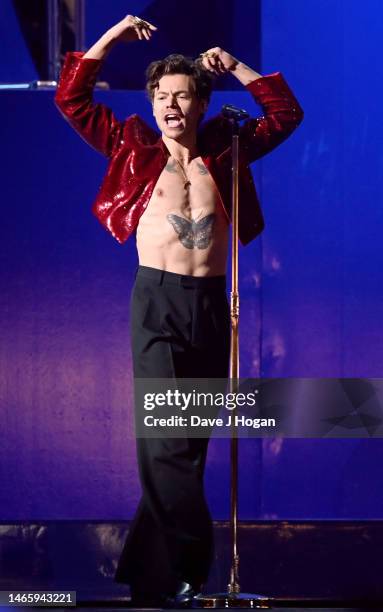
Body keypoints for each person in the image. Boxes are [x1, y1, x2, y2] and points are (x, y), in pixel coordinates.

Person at [54, 14, 304, 608]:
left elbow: (287, 115)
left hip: (213, 304)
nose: (171, 105)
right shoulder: (131, 144)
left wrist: (237, 67)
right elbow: (72, 96)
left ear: (201, 103)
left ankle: (152, 577)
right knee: (164, 440)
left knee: (187, 441)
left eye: (182, 95)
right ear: (153, 103)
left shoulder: (227, 145)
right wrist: (112, 36)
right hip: (158, 301)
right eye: (161, 96)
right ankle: (195, 561)